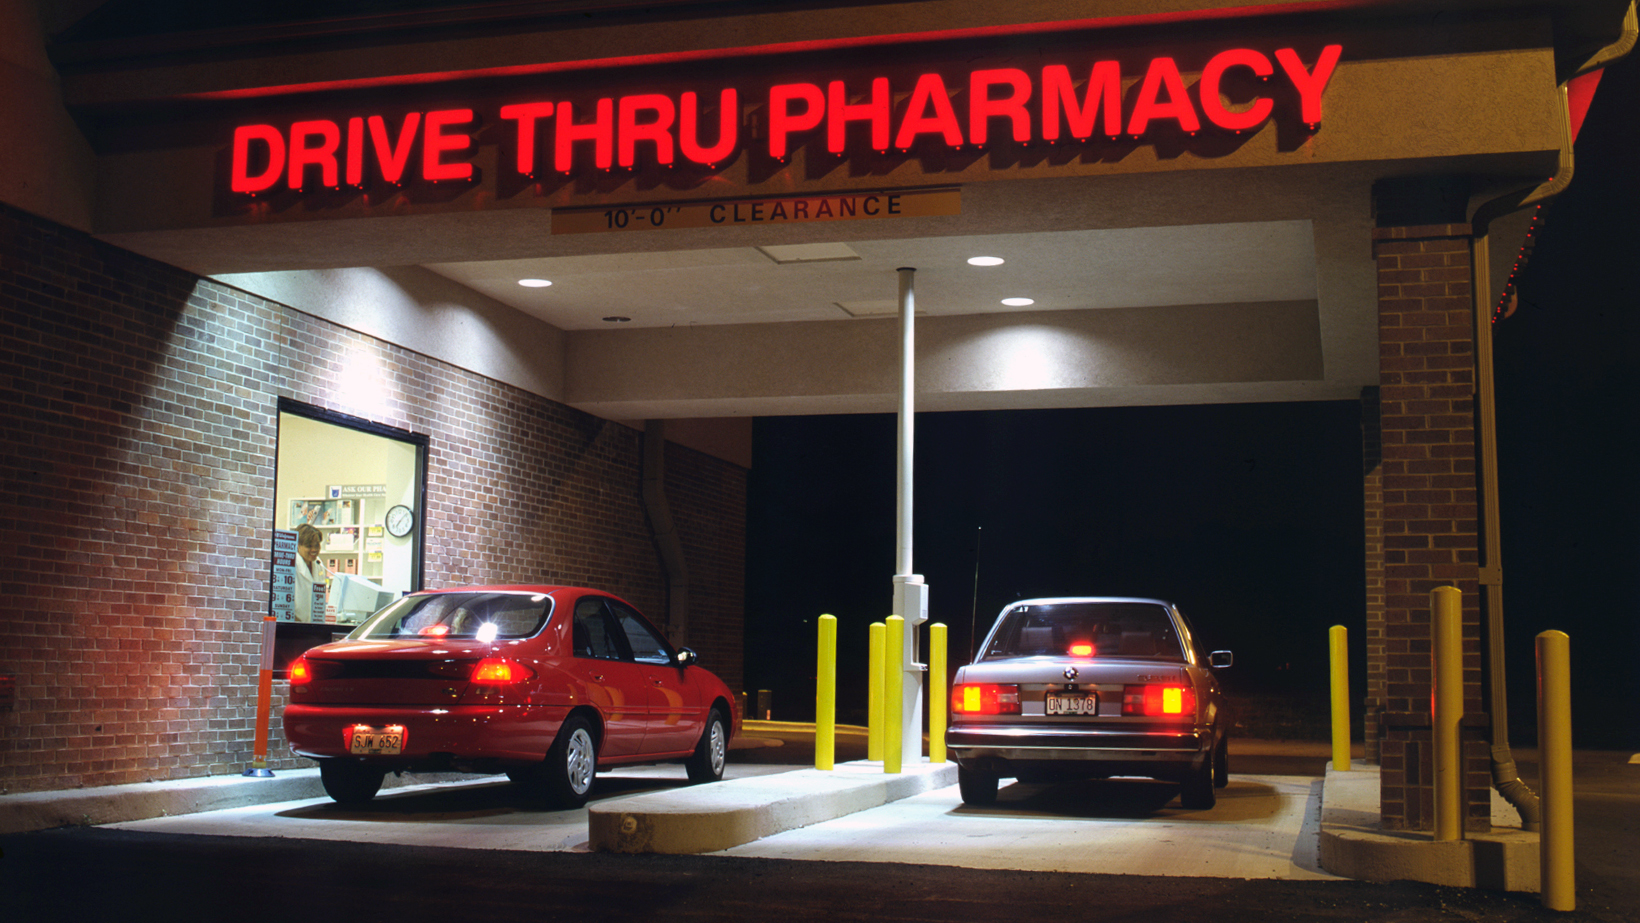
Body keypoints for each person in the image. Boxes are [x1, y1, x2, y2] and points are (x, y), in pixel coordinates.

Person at [293, 523, 329, 622]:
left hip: (314, 624)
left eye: (317, 545)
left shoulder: (318, 563)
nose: (314, 550)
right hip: (295, 625)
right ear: (298, 545)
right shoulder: (292, 565)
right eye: (309, 546)